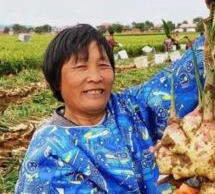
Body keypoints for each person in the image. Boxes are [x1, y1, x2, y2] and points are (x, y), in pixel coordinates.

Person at [15, 24, 205, 193]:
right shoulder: (49, 154)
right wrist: (188, 190)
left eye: (103, 64)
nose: (95, 76)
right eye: (81, 66)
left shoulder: (128, 108)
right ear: (56, 79)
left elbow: (181, 80)